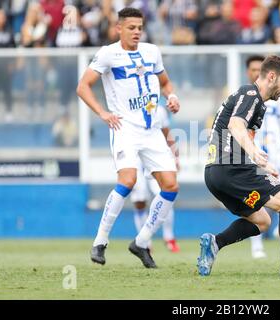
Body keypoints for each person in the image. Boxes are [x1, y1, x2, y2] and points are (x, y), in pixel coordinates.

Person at [198, 55, 280, 277]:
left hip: (216, 175)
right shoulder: (251, 94)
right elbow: (236, 125)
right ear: (271, 76)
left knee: (262, 221)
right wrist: (255, 154)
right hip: (231, 168)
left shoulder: (259, 105)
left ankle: (215, 243)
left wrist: (261, 165)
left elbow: (245, 135)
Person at [76, 7, 180, 269]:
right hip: (125, 129)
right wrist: (102, 112)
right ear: (118, 29)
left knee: (170, 186)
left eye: (139, 27)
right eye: (131, 27)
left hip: (152, 129)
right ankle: (100, 241)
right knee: (129, 180)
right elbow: (83, 86)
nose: (136, 32)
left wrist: (172, 96)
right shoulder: (108, 54)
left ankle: (142, 242)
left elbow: (165, 82)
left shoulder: (151, 52)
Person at [245, 55, 280, 259]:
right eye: (252, 69)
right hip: (257, 154)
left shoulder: (277, 100)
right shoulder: (247, 97)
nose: (254, 72)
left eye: (257, 69)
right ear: (248, 73)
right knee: (257, 200)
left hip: (277, 153)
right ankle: (257, 245)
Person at [130, 104, 181, 253]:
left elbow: (167, 134)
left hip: (154, 157)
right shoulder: (129, 108)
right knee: (139, 200)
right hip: (135, 159)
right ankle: (145, 242)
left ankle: (169, 237)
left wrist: (175, 157)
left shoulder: (158, 110)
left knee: (166, 193)